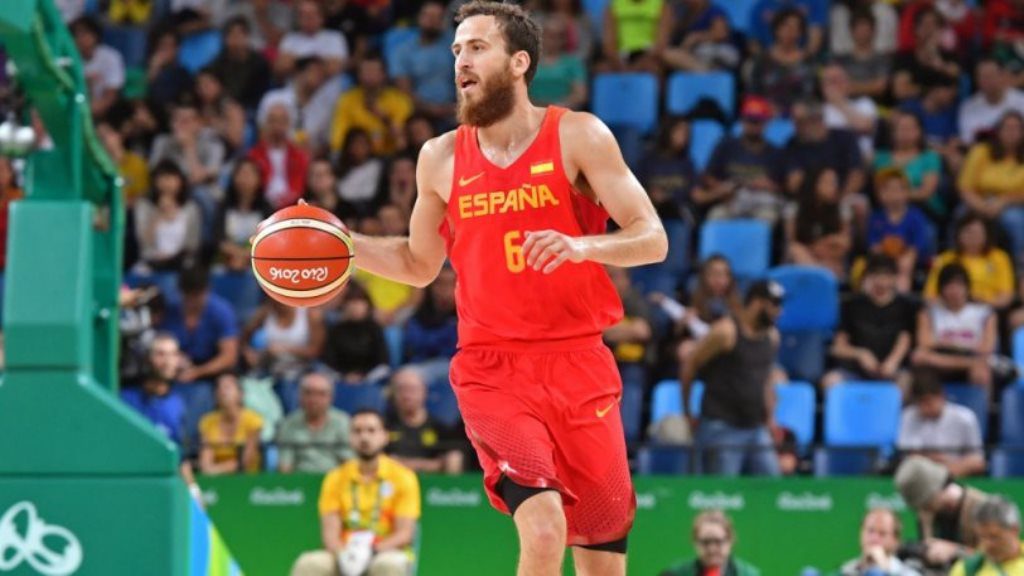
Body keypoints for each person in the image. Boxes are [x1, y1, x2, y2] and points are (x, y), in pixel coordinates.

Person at [348, 2, 668, 573]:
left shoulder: (579, 135)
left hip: (579, 364)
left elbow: (653, 238)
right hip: (492, 368)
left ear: (519, 62)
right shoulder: (440, 157)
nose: (460, 61)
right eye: (456, 50)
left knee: (602, 562)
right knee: (543, 530)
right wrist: (346, 244)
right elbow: (419, 263)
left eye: (476, 48)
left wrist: (582, 246)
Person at [290, 409, 420, 576]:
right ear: (350, 438)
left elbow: (404, 534)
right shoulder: (335, 478)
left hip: (385, 551)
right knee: (310, 563)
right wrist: (345, 555)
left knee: (388, 565)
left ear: (385, 436)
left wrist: (371, 552)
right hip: (344, 553)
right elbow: (330, 534)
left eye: (371, 430)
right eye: (357, 431)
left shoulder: (404, 477)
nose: (364, 437)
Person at [682, 280, 784, 477]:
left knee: (773, 485)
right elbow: (690, 365)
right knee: (723, 491)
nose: (779, 311)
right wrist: (687, 410)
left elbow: (766, 379)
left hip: (756, 427)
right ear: (757, 303)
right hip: (722, 427)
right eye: (774, 305)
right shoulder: (726, 332)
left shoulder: (772, 336)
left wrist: (771, 417)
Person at [824, 254, 916, 390]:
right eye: (875, 275)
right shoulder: (851, 306)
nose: (881, 282)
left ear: (895, 278)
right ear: (866, 277)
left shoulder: (906, 307)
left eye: (886, 276)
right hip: (855, 371)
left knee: (907, 382)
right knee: (830, 381)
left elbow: (905, 340)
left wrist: (892, 363)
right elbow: (838, 348)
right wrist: (861, 354)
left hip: (892, 371)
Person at [695, 95, 785, 225]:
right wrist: (722, 188)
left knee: (766, 219)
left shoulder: (775, 152)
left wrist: (769, 186)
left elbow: (783, 187)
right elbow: (707, 176)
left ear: (766, 123)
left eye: (757, 121)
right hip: (731, 200)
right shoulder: (726, 145)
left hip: (762, 202)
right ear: (742, 121)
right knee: (715, 216)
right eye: (750, 120)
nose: (753, 125)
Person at [895, 455, 989, 570]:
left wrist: (955, 551)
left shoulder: (982, 508)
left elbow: (995, 558)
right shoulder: (928, 514)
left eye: (925, 505)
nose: (922, 511)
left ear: (933, 495)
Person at [914, 263, 998, 389]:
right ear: (941, 289)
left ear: (967, 287)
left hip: (970, 358)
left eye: (959, 285)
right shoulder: (928, 313)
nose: (954, 291)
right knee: (919, 359)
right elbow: (925, 343)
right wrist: (965, 349)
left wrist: (943, 342)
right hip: (940, 360)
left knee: (981, 370)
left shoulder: (984, 312)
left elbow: (986, 348)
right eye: (949, 285)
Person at [898, 368, 986, 478]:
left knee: (974, 462)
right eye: (921, 403)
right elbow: (906, 455)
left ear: (941, 396)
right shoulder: (908, 416)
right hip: (923, 470)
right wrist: (931, 459)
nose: (925, 408)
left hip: (955, 468)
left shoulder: (965, 418)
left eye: (929, 401)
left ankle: (942, 479)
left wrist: (947, 462)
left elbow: (978, 460)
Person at [923, 214, 1015, 311]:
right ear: (958, 234)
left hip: (987, 310)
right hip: (950, 310)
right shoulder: (945, 259)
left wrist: (983, 302)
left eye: (977, 233)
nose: (973, 237)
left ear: (987, 235)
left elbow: (1006, 297)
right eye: (968, 232)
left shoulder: (999, 258)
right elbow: (929, 296)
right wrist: (954, 305)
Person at [329, 55, 414, 156]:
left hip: (390, 155)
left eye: (373, 71)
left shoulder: (400, 101)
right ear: (359, 75)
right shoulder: (347, 99)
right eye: (365, 71)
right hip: (356, 156)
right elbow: (338, 138)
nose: (369, 75)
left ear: (384, 74)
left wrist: (385, 118)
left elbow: (402, 138)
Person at [863, 167, 932, 292]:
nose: (892, 193)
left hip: (906, 266)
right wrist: (884, 265)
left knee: (903, 272)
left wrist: (902, 262)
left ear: (907, 192)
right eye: (887, 189)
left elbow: (914, 250)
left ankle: (900, 299)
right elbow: (874, 247)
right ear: (879, 194)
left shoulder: (915, 218)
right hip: (882, 263)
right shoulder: (875, 218)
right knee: (869, 277)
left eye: (898, 189)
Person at [385, 367, 464, 474]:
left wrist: (400, 463)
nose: (407, 395)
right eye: (401, 389)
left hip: (433, 482)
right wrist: (431, 465)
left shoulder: (441, 429)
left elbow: (451, 458)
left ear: (424, 392)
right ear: (393, 393)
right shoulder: (384, 426)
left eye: (412, 389)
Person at [391, 0, 457, 125]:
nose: (432, 21)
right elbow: (403, 89)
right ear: (419, 18)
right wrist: (430, 109)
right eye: (428, 16)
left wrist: (455, 107)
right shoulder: (404, 50)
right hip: (418, 113)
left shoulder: (454, 44)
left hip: (453, 111)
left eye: (438, 17)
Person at [277, 372, 354, 474]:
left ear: (331, 398)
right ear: (300, 396)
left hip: (334, 480)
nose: (314, 399)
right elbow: (285, 466)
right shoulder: (288, 423)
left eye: (321, 394)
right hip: (300, 480)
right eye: (308, 393)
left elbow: (349, 463)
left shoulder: (343, 422)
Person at [120, 332, 187, 447]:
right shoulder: (125, 398)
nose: (168, 362)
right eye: (160, 354)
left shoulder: (178, 404)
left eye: (174, 354)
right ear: (147, 358)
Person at [247, 100, 310, 210]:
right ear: (264, 124)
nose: (277, 126)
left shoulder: (299, 156)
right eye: (272, 121)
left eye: (282, 121)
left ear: (289, 124)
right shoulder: (253, 155)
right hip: (262, 207)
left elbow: (300, 186)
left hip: (293, 207)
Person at [198, 373, 264, 475]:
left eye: (228, 387)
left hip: (246, 478)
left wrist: (216, 470)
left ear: (240, 394)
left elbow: (246, 462)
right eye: (219, 388)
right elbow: (205, 462)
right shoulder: (207, 421)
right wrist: (212, 470)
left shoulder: (253, 420)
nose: (223, 391)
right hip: (216, 479)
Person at [659, 510, 761, 576]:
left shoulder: (748, 574)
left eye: (718, 541)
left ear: (730, 541)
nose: (712, 549)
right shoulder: (675, 574)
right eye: (705, 542)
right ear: (694, 542)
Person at [950, 496, 1024, 576]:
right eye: (981, 537)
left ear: (1015, 529)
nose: (987, 544)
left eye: (994, 537)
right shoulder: (966, 569)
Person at [835, 508, 922, 576]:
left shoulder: (908, 573)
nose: (874, 538)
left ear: (896, 540)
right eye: (870, 531)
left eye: (882, 533)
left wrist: (886, 570)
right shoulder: (846, 571)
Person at [958, 59, 1024, 146]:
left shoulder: (1021, 100)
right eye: (983, 77)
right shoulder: (968, 107)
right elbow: (968, 140)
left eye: (991, 76)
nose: (987, 81)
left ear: (1002, 75)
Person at [276, 0, 348, 78]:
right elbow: (281, 68)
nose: (308, 18)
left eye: (312, 14)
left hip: (329, 85)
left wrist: (297, 62)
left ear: (321, 17)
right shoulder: (289, 38)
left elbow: (335, 67)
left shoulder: (335, 37)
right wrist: (321, 62)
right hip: (296, 84)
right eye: (303, 15)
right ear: (298, 18)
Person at [69, 16, 125, 117]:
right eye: (76, 35)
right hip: (76, 110)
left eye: (84, 33)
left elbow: (111, 95)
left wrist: (90, 111)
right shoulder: (68, 60)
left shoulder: (111, 57)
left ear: (95, 35)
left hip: (107, 111)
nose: (80, 39)